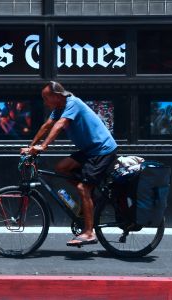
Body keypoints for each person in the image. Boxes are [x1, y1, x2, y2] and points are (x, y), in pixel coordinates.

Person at [21, 81, 118, 247]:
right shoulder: (59, 107)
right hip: (89, 150)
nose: (45, 102)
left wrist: (43, 147)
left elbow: (60, 125)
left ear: (57, 96)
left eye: (46, 98)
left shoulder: (73, 103)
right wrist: (31, 147)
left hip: (102, 150)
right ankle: (88, 197)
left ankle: (89, 232)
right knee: (62, 168)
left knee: (82, 188)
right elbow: (47, 126)